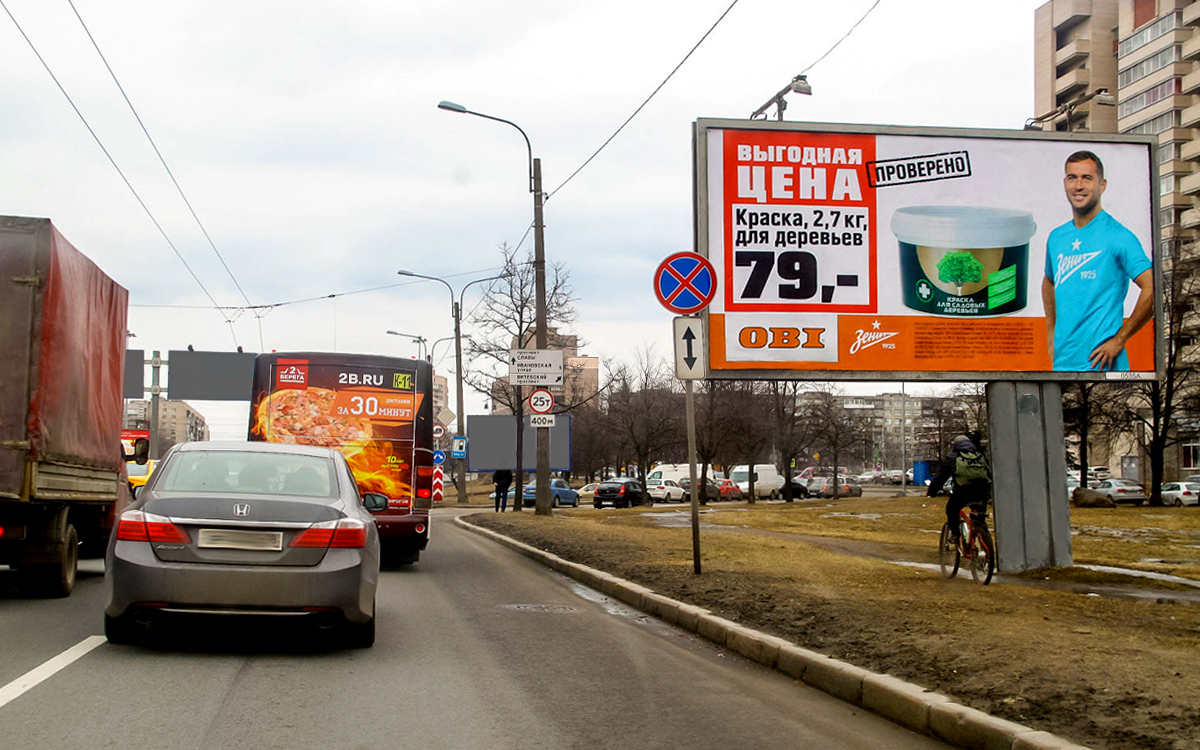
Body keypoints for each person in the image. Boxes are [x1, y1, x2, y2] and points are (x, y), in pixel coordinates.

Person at [1041, 150, 1153, 372]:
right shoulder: (1056, 237)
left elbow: (1152, 288)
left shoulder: (1118, 236)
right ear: (1065, 183)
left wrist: (1120, 339)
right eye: (1072, 178)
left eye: (1087, 178)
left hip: (1104, 368)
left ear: (1102, 185)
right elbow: (1049, 281)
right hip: (1062, 364)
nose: (1079, 185)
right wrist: (1050, 330)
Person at [927, 435, 990, 543]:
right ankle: (983, 534)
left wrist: (932, 491)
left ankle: (955, 534)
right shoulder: (980, 456)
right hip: (982, 491)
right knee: (979, 514)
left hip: (963, 491)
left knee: (951, 509)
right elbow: (988, 473)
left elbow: (941, 477)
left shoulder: (953, 457)